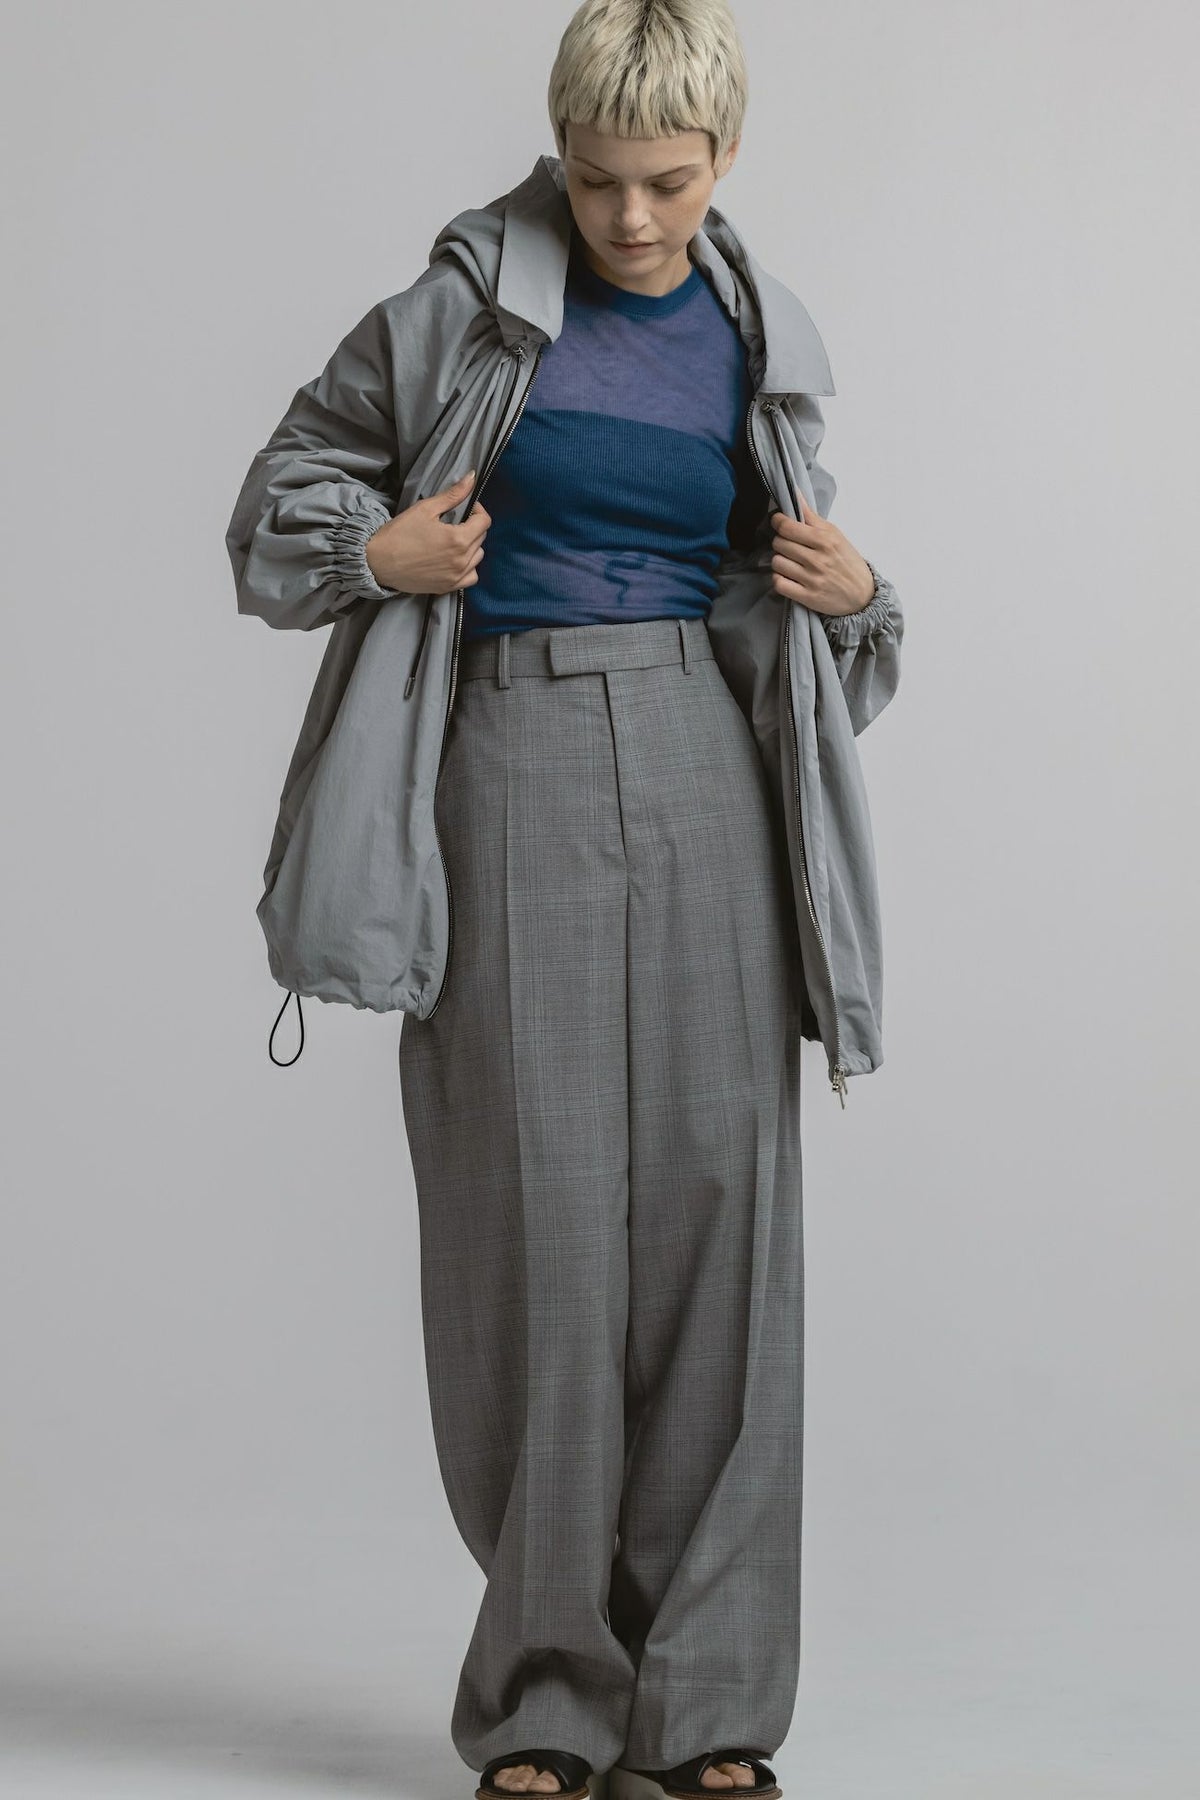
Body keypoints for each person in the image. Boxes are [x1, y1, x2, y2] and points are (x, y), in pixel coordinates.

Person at [226, 4, 904, 1799]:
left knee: (721, 1226)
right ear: (559, 151)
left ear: (724, 158)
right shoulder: (459, 310)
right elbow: (273, 510)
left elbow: (815, 640)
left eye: (667, 181)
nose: (630, 217)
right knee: (531, 1226)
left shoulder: (758, 338)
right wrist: (376, 550)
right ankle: (545, 1698)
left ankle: (710, 1713)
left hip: (704, 757)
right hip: (505, 750)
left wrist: (857, 596)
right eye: (598, 180)